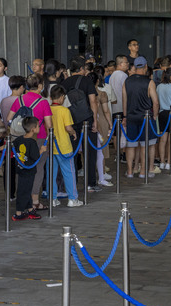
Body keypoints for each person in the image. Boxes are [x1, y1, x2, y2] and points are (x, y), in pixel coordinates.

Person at [8, 74, 53, 210]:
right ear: (40, 86)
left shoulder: (19, 99)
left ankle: (22, 199)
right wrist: (49, 138)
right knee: (37, 168)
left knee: (21, 167)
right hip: (38, 139)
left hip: (20, 139)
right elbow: (49, 124)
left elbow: (9, 118)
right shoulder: (43, 102)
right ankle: (34, 200)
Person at [61, 56, 101, 191]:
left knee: (71, 152)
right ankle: (90, 183)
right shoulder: (86, 81)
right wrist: (95, 120)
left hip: (69, 121)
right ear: (82, 69)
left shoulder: (64, 83)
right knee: (90, 152)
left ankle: (71, 182)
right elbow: (93, 102)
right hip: (86, 120)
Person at [122, 56, 160, 179]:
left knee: (131, 144)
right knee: (145, 145)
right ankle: (143, 171)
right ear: (145, 66)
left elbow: (124, 100)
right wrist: (154, 115)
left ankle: (129, 171)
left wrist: (125, 116)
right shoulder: (149, 82)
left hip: (131, 116)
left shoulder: (127, 81)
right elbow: (155, 102)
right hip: (146, 117)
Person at [48, 86, 82, 207]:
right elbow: (68, 128)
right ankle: (72, 199)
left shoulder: (47, 109)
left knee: (51, 173)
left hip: (50, 146)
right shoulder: (64, 111)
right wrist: (74, 133)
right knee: (69, 172)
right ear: (62, 97)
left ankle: (52, 198)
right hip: (64, 146)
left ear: (51, 97)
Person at [11, 117, 45, 221]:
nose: (39, 127)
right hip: (29, 171)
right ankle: (19, 212)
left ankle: (30, 209)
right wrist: (42, 150)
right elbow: (35, 157)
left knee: (26, 189)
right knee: (23, 191)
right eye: (38, 126)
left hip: (21, 169)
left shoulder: (20, 139)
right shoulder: (32, 142)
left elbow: (11, 146)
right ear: (33, 129)